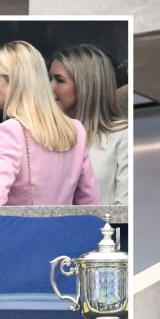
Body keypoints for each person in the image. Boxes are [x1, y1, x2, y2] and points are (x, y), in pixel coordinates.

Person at [0, 40, 99, 206]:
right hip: (65, 231)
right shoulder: (75, 129)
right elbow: (90, 202)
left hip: (19, 231)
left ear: (15, 83)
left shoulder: (10, 130)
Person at [50, 44, 129, 205]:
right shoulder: (44, 136)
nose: (50, 87)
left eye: (59, 80)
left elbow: (124, 209)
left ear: (85, 85)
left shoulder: (122, 135)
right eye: (50, 79)